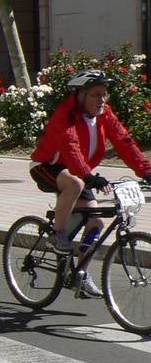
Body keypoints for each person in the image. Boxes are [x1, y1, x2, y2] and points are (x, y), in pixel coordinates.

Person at [30, 69, 151, 297]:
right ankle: (57, 234)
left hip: (78, 171)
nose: (102, 99)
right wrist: (88, 176)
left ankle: (81, 275)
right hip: (47, 166)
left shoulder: (105, 114)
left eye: (104, 94)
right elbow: (70, 146)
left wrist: (146, 171)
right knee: (74, 184)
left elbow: (124, 142)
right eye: (96, 94)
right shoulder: (65, 114)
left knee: (95, 222)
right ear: (81, 95)